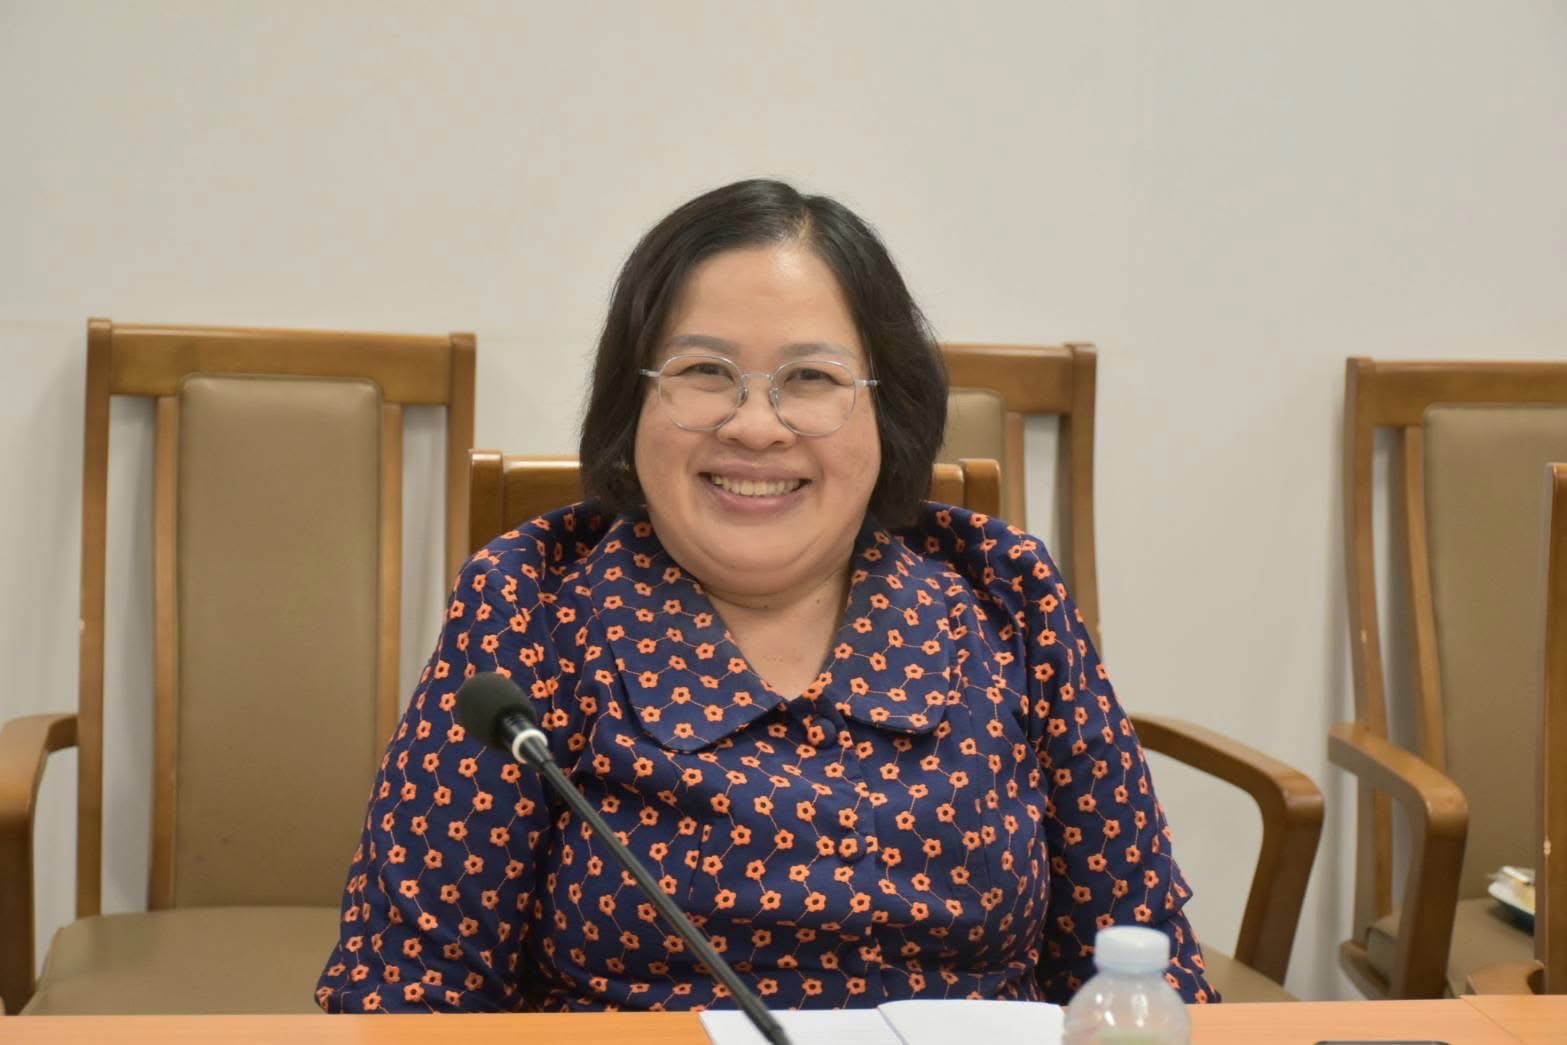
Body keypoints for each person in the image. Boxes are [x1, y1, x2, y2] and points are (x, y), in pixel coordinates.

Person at [316, 179, 1218, 1013]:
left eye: (811, 379)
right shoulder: (529, 604)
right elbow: (406, 994)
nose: (754, 426)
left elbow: (1139, 966)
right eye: (704, 372)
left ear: (886, 410)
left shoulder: (1003, 592)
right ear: (633, 403)